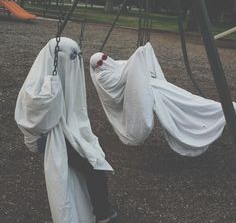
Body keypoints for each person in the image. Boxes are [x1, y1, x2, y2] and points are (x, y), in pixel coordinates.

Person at [15, 37, 133, 223]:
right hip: (52, 138)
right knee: (94, 166)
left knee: (96, 156)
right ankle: (103, 220)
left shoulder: (64, 75)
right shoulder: (37, 83)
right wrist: (51, 92)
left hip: (69, 130)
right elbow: (32, 116)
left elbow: (74, 109)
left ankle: (96, 206)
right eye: (71, 58)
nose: (74, 63)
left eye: (77, 58)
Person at [90, 42, 236, 157]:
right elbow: (122, 76)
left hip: (154, 88)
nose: (105, 62)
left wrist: (142, 56)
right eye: (100, 62)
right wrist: (138, 56)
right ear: (96, 67)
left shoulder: (112, 66)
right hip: (151, 93)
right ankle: (216, 114)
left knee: (186, 99)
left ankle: (219, 110)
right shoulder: (102, 76)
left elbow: (127, 66)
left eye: (104, 57)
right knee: (179, 104)